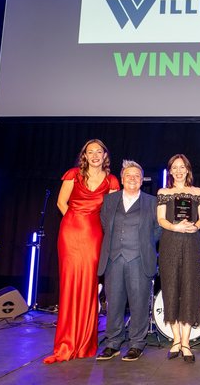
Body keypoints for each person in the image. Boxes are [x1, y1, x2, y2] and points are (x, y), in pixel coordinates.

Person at [44, 139, 120, 364]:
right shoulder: (73, 174)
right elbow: (61, 203)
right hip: (71, 232)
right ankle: (66, 343)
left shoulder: (112, 180)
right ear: (84, 156)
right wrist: (76, 220)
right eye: (90, 152)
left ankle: (85, 343)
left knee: (89, 285)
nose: (95, 155)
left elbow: (112, 211)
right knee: (69, 284)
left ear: (105, 155)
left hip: (94, 234)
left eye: (99, 151)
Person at [96, 160, 162, 362]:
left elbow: (159, 228)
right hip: (114, 259)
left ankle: (136, 344)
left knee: (139, 303)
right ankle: (113, 343)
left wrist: (144, 244)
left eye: (136, 176)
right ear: (122, 179)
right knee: (114, 303)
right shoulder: (110, 200)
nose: (132, 178)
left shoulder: (152, 202)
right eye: (128, 175)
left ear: (142, 180)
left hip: (139, 260)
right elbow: (105, 223)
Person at [156, 154, 200, 363]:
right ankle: (175, 339)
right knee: (171, 289)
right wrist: (174, 227)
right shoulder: (163, 192)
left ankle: (186, 342)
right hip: (170, 242)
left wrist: (195, 226)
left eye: (182, 167)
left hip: (192, 242)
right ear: (170, 171)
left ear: (187, 169)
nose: (178, 171)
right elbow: (160, 219)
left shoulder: (198, 192)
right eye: (174, 167)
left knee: (189, 288)